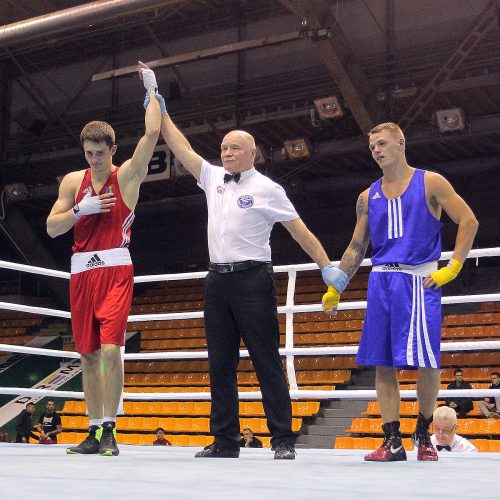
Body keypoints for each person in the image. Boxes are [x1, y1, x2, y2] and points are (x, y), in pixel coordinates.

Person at [139, 65, 346, 460]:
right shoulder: (212, 177)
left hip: (253, 280)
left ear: (252, 152)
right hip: (216, 281)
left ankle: (283, 440)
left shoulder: (269, 188)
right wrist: (157, 102)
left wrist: (325, 266)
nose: (227, 153)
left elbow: (299, 231)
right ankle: (225, 441)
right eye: (224, 148)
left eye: (235, 148)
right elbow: (180, 146)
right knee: (220, 364)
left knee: (267, 360)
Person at [324, 122, 478, 462]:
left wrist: (453, 266)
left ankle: (423, 435)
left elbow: (469, 221)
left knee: (426, 362)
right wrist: (336, 284)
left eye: (382, 143)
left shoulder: (430, 182)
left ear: (400, 143)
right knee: (382, 363)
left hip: (419, 281)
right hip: (381, 282)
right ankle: (392, 441)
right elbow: (355, 246)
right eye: (372, 147)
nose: (377, 150)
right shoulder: (367, 196)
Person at [47, 66, 161, 456]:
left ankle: (111, 427)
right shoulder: (70, 181)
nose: (94, 159)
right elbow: (51, 229)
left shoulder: (127, 175)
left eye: (100, 153)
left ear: (112, 150)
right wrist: (81, 209)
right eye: (89, 153)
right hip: (81, 274)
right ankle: (93, 431)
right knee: (88, 355)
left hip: (114, 270)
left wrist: (152, 92)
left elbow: (151, 135)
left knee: (111, 350)